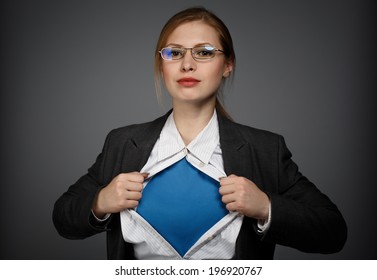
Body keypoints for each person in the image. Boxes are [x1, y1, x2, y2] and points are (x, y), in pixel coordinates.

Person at [53, 7, 347, 260]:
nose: (187, 64)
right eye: (174, 52)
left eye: (204, 52)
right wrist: (100, 202)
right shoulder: (121, 143)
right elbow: (63, 217)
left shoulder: (265, 149)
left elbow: (333, 232)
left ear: (227, 65)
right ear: (162, 64)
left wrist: (265, 207)